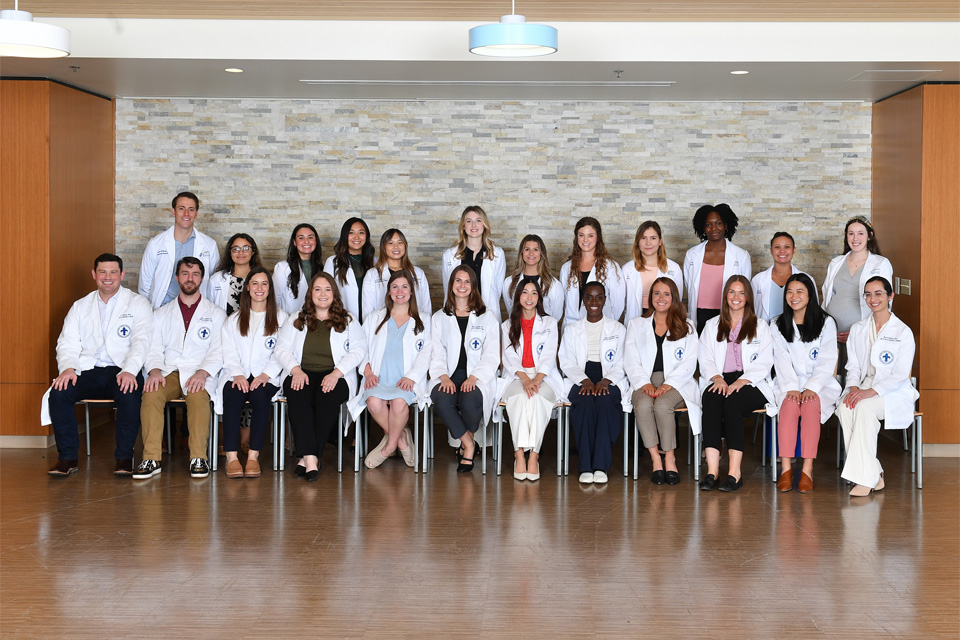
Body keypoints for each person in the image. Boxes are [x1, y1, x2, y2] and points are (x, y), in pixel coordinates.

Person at [43, 253, 154, 477]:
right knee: (59, 392)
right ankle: (67, 458)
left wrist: (130, 371)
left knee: (130, 393)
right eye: (102, 271)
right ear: (94, 275)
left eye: (113, 272)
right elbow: (67, 342)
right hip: (88, 369)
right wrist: (67, 368)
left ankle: (124, 458)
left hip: (122, 369)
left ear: (122, 275)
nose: (107, 277)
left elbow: (142, 342)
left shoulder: (138, 303)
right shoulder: (80, 306)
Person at [134, 257, 226, 479]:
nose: (190, 278)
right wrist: (154, 370)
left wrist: (203, 373)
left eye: (195, 274)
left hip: (200, 371)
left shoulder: (216, 314)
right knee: (152, 394)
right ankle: (151, 458)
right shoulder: (161, 313)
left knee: (197, 397)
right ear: (177, 278)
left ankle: (198, 458)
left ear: (201, 278)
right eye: (185, 273)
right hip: (168, 370)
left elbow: (219, 350)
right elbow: (153, 347)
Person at [273, 273, 366, 481]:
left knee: (326, 399)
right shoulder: (296, 318)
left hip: (335, 373)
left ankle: (306, 458)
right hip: (301, 372)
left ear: (334, 293)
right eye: (317, 289)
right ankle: (312, 457)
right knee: (299, 397)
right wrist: (295, 370)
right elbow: (281, 349)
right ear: (310, 293)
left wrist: (337, 373)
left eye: (327, 289)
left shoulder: (348, 319)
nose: (322, 294)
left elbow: (359, 350)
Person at [837, 276, 917, 497]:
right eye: (868, 294)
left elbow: (900, 375)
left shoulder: (903, 332)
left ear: (890, 296)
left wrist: (870, 392)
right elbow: (851, 365)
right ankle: (873, 474)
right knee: (845, 407)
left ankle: (863, 479)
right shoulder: (858, 328)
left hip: (891, 391)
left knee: (864, 408)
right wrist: (853, 388)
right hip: (862, 385)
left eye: (879, 293)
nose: (873, 299)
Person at [697, 275, 774, 492]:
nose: (736, 297)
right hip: (719, 377)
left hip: (752, 382)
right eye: (732, 292)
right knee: (711, 400)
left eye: (741, 292)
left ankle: (734, 473)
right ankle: (712, 472)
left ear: (748, 297)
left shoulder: (761, 326)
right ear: (725, 296)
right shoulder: (712, 325)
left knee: (732, 404)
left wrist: (742, 380)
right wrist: (717, 378)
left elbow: (765, 360)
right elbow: (705, 358)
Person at [350, 270, 432, 469]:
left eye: (404, 286)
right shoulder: (375, 318)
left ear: (412, 292)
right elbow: (361, 348)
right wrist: (367, 372)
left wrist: (412, 377)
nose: (399, 291)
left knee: (398, 403)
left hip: (406, 378)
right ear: (388, 292)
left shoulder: (424, 319)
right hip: (378, 376)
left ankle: (388, 447)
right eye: (394, 287)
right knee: (373, 401)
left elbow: (427, 352)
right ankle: (402, 439)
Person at [623, 278, 699, 485]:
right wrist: (643, 383)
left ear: (674, 297)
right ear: (650, 298)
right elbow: (630, 360)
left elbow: (690, 362)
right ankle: (656, 459)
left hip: (677, 382)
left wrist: (669, 383)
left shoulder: (687, 325)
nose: (661, 298)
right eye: (656, 293)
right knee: (644, 405)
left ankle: (670, 458)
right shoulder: (636, 324)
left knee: (663, 405)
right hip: (644, 380)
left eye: (666, 294)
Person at [771, 273, 841, 493]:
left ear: (810, 295)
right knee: (789, 405)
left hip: (819, 384)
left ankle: (807, 469)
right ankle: (785, 469)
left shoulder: (826, 322)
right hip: (788, 382)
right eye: (790, 292)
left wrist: (812, 387)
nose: (794, 296)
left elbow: (828, 358)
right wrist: (792, 387)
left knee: (811, 406)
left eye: (800, 291)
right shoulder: (777, 324)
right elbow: (780, 359)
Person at [215, 267, 287, 478]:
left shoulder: (282, 318)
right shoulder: (234, 319)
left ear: (270, 289)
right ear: (247, 288)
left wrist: (266, 375)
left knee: (260, 397)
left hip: (266, 375)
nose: (259, 288)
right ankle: (232, 457)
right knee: (233, 395)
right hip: (238, 373)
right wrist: (237, 374)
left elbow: (283, 351)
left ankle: (253, 456)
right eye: (254, 283)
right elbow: (228, 351)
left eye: (264, 284)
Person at [429, 265, 500, 473]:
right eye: (458, 281)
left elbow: (492, 354)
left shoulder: (486, 317)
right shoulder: (439, 317)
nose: (462, 285)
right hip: (448, 374)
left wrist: (474, 377)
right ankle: (469, 445)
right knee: (442, 398)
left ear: (473, 286)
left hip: (476, 376)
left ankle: (464, 444)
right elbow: (436, 352)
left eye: (467, 281)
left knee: (470, 402)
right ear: (451, 285)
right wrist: (443, 377)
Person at [558, 282, 627, 484]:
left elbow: (624, 361)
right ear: (583, 301)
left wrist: (607, 380)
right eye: (589, 297)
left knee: (606, 403)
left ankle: (601, 466)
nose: (594, 302)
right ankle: (585, 466)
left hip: (610, 376)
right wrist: (584, 380)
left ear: (605, 299)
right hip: (581, 375)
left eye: (598, 297)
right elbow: (566, 360)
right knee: (586, 403)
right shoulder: (572, 329)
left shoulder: (618, 328)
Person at [498, 280, 563, 481]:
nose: (529, 297)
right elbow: (509, 357)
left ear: (539, 298)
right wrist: (526, 379)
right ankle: (519, 453)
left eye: (534, 293)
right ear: (518, 297)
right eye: (524, 293)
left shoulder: (550, 323)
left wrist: (537, 379)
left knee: (537, 398)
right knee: (518, 397)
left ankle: (533, 455)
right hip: (516, 375)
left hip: (545, 375)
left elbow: (549, 355)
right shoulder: (507, 325)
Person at [822, 216, 894, 376]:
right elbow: (826, 297)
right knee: (831, 377)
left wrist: (859, 331)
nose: (855, 238)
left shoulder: (881, 264)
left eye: (860, 233)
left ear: (870, 235)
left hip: (863, 333)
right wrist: (827, 328)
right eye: (851, 233)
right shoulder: (836, 263)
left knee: (855, 376)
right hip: (832, 333)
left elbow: (885, 302)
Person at [138, 191, 219, 309]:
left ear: (196, 213)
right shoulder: (155, 244)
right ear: (173, 211)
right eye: (181, 208)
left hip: (198, 309)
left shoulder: (210, 245)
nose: (186, 213)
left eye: (191, 209)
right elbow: (145, 285)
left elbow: (214, 282)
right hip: (162, 308)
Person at [682, 204, 752, 334]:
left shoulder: (741, 256)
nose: (713, 228)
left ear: (726, 225)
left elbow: (744, 290)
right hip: (699, 315)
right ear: (703, 228)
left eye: (718, 223)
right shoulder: (692, 255)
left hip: (728, 313)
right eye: (708, 224)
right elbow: (688, 283)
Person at [440, 205, 506, 322]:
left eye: (478, 221)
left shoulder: (497, 254)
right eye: (469, 221)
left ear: (484, 225)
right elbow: (448, 288)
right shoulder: (449, 256)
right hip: (459, 315)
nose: (474, 225)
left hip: (487, 315)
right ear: (463, 226)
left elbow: (498, 288)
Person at [558, 217, 625, 328]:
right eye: (581, 235)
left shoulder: (611, 267)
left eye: (590, 235)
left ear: (597, 237)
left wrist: (607, 322)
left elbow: (618, 304)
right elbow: (563, 302)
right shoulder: (566, 268)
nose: (585, 240)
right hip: (572, 327)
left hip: (601, 326)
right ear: (576, 237)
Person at [361, 228, 432, 321]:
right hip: (381, 326)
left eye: (400, 242)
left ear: (405, 246)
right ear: (383, 247)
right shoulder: (372, 274)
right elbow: (367, 310)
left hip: (414, 326)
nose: (396, 247)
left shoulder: (418, 273)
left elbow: (426, 306)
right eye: (390, 243)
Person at [622, 221, 683, 325]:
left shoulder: (674, 269)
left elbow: (677, 300)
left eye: (653, 238)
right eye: (643, 238)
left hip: (664, 320)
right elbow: (620, 302)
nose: (648, 243)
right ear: (638, 242)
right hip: (635, 318)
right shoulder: (627, 269)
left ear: (660, 241)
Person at [751, 232, 816, 322]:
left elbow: (813, 310)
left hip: (797, 333)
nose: (782, 251)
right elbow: (750, 311)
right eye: (777, 247)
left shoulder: (807, 279)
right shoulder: (757, 280)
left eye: (787, 247)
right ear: (771, 250)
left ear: (794, 250)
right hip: (765, 333)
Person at [323, 217, 375, 323]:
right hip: (343, 320)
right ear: (344, 236)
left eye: (361, 232)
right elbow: (326, 293)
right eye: (351, 233)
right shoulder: (333, 262)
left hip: (372, 320)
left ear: (366, 236)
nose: (356, 237)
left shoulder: (376, 262)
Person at [501, 234, 564, 320]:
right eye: (527, 249)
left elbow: (556, 316)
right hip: (518, 331)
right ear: (521, 253)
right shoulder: (509, 282)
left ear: (541, 254)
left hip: (544, 332)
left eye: (536, 249)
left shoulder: (554, 284)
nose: (531, 253)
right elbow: (511, 310)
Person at [274, 223, 323, 315]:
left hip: (315, 322)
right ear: (294, 242)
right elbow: (274, 299)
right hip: (289, 323)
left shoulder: (321, 268)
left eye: (310, 237)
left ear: (316, 241)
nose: (306, 241)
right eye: (301, 238)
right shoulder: (283, 268)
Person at [209, 233, 264, 315]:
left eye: (246, 248)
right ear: (230, 252)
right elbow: (209, 309)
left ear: (253, 252)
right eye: (236, 249)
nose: (241, 252)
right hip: (223, 327)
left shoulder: (262, 278)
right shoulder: (216, 279)